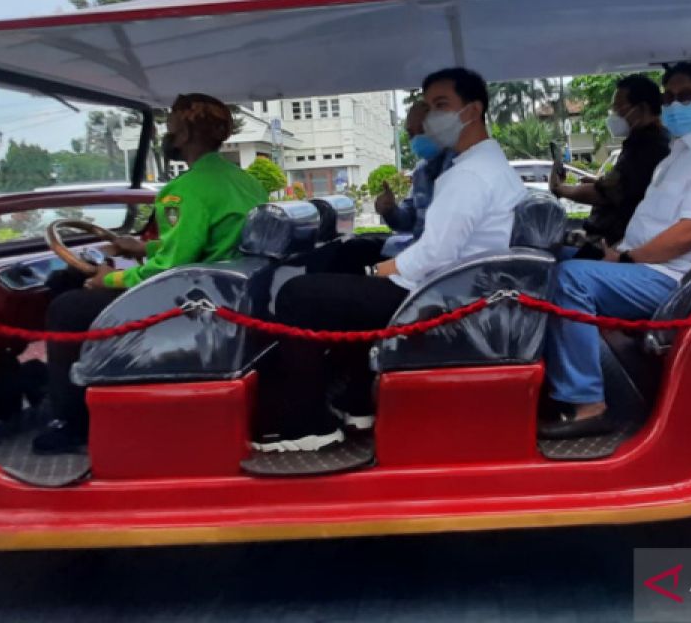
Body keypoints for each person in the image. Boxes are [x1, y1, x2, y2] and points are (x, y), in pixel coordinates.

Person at [255, 67, 528, 452]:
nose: (432, 116)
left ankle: (307, 426)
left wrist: (375, 272)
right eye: (429, 105)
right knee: (343, 291)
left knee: (300, 296)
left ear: (472, 110)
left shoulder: (470, 176)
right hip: (457, 288)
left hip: (442, 298)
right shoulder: (487, 167)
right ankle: (355, 402)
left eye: (441, 104)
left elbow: (435, 253)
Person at [33, 94, 268, 454]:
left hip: (193, 301)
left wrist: (107, 279)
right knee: (71, 289)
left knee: (65, 307)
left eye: (170, 127)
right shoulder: (246, 182)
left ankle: (70, 422)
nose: (166, 134)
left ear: (185, 133)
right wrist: (141, 248)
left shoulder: (184, 190)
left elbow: (171, 270)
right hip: (228, 290)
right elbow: (209, 244)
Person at [539, 61, 691, 439]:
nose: (674, 105)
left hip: (675, 276)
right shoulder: (681, 151)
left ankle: (588, 403)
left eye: (687, 96)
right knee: (546, 261)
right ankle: (550, 379)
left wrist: (626, 258)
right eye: (669, 97)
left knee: (569, 279)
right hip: (644, 263)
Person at [322, 99, 456, 274]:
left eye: (422, 130)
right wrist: (390, 210)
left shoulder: (460, 168)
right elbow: (408, 220)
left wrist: (380, 271)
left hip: (433, 266)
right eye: (411, 133)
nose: (416, 139)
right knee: (349, 249)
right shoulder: (422, 171)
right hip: (411, 248)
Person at [550, 74, 670, 255]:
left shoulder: (647, 146)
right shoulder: (644, 141)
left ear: (642, 108)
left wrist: (561, 189)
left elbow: (605, 194)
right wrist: (598, 180)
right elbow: (628, 184)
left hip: (614, 244)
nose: (614, 115)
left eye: (618, 108)